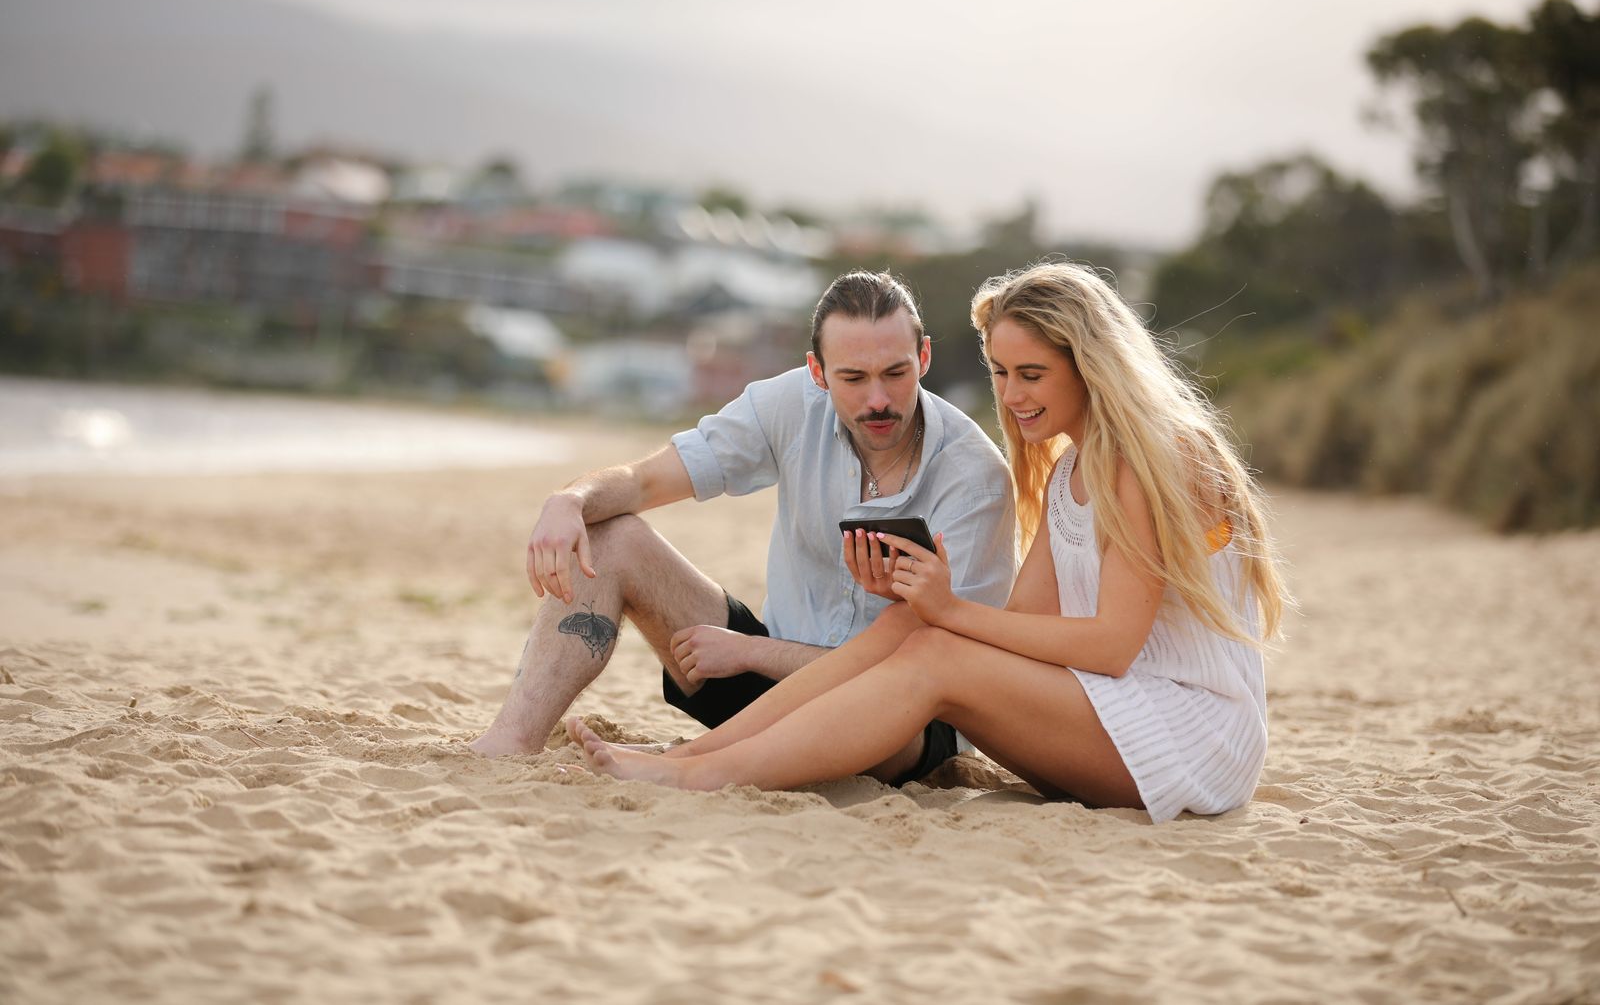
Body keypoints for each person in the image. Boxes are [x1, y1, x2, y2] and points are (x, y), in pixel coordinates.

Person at [569, 261, 1293, 823]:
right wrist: (925, 602)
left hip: (1189, 735)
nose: (1012, 396)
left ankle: (702, 774)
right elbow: (1024, 625)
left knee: (936, 643)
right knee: (911, 625)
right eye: (1001, 373)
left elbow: (1110, 647)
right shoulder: (1073, 468)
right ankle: (694, 754)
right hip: (1115, 715)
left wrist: (949, 611)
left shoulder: (1154, 458)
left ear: (1091, 364)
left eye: (1033, 374)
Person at [470, 271, 1017, 787]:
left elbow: (932, 657)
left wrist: (752, 652)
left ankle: (689, 763)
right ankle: (511, 741)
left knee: (897, 692)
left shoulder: (973, 477)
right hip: (766, 686)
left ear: (923, 358)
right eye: (853, 378)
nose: (878, 400)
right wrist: (569, 500)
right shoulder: (788, 403)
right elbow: (645, 481)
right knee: (610, 535)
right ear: (818, 372)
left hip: (898, 715)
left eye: (895, 374)